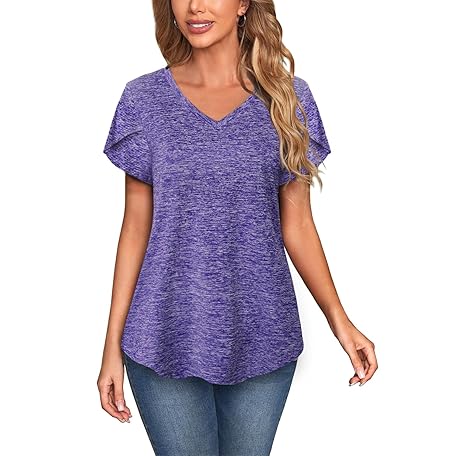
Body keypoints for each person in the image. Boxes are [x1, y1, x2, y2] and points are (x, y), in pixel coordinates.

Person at [97, 1, 378, 454]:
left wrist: (340, 321)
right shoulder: (144, 100)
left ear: (244, 3)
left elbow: (298, 225)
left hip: (262, 331)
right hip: (161, 332)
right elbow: (135, 230)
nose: (194, 6)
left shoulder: (288, 99)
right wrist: (111, 345)